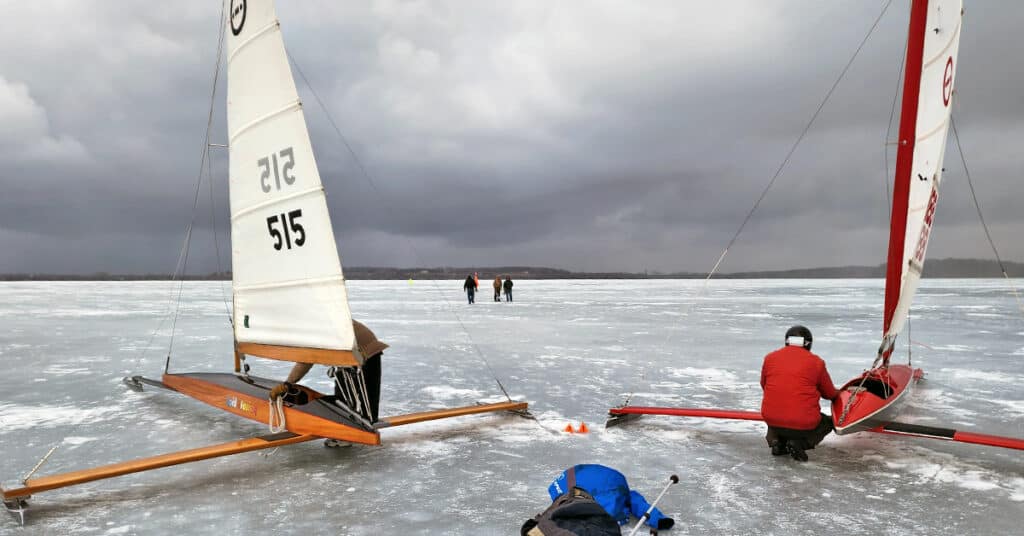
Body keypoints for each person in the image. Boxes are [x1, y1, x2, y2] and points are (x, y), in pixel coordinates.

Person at [270, 320, 388, 426]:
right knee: (349, 395)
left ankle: (353, 430)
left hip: (361, 352)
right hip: (361, 350)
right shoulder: (318, 322)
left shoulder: (315, 329)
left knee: (351, 397)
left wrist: (288, 383)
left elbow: (305, 362)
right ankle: (364, 423)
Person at [760, 325, 839, 462]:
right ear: (808, 344)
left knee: (778, 408)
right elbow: (829, 393)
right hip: (802, 423)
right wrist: (841, 393)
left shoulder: (770, 358)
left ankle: (777, 442)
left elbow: (764, 385)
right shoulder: (816, 363)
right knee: (828, 422)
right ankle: (800, 444)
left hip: (771, 418)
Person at [538, 464, 674, 532]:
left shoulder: (609, 493)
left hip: (598, 481)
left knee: (605, 514)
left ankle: (658, 519)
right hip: (598, 480)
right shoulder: (571, 497)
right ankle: (658, 518)